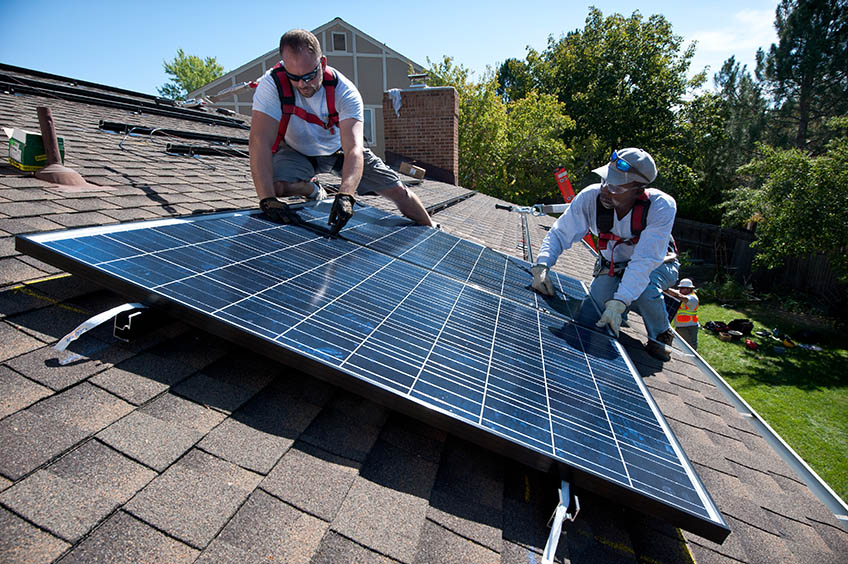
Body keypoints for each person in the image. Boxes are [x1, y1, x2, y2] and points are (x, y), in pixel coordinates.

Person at [249, 28, 433, 234]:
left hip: (340, 151)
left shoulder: (344, 91)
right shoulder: (271, 85)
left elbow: (354, 149)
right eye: (295, 77)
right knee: (271, 186)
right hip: (297, 152)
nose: (303, 84)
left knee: (398, 191)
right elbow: (260, 141)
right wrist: (267, 200)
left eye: (310, 75)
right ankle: (313, 189)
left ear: (323, 63)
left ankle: (432, 228)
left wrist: (346, 194)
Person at [530, 148, 679, 361]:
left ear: (638, 189)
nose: (606, 190)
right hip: (614, 265)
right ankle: (626, 303)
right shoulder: (591, 197)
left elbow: (645, 261)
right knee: (589, 318)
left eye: (616, 186)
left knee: (644, 288)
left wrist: (620, 300)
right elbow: (561, 232)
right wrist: (542, 265)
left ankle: (660, 335)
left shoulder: (660, 206)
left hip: (659, 265)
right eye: (605, 180)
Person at [667, 278, 699, 350]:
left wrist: (666, 289)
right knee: (679, 347)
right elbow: (673, 292)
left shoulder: (693, 298)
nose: (680, 290)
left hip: (689, 328)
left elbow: (680, 297)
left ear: (689, 289)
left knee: (690, 348)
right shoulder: (681, 292)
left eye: (683, 288)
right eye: (680, 288)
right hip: (680, 326)